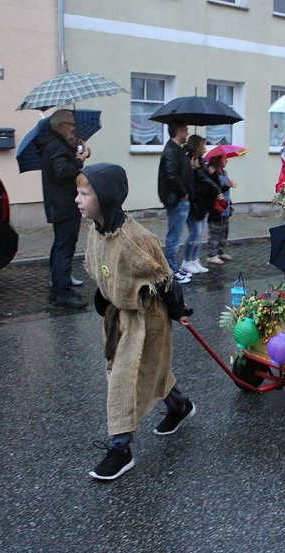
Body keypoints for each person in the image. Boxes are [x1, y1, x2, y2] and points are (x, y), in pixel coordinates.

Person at [76, 162, 196, 481]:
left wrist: (179, 310)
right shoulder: (96, 232)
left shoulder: (137, 239)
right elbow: (104, 271)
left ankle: (121, 449)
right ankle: (179, 405)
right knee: (152, 371)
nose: (77, 199)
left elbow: (165, 278)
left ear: (106, 197)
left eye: (85, 193)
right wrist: (105, 297)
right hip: (119, 317)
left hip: (147, 319)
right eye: (78, 192)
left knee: (124, 379)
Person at [36, 109, 91, 308]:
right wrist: (79, 160)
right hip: (64, 204)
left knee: (60, 245)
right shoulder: (56, 146)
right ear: (60, 125)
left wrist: (77, 150)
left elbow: (63, 166)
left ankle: (57, 288)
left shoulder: (55, 144)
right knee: (65, 248)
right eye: (71, 124)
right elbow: (62, 171)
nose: (74, 127)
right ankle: (63, 292)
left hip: (60, 203)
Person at [157, 122, 194, 284]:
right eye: (185, 130)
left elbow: (180, 171)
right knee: (174, 236)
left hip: (179, 198)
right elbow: (171, 175)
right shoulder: (171, 150)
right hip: (177, 199)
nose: (188, 132)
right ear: (178, 131)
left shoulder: (177, 149)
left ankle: (174, 268)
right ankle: (171, 271)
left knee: (176, 235)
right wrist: (183, 193)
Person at [180, 134, 220, 276]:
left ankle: (195, 260)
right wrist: (195, 169)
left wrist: (205, 170)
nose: (205, 148)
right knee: (194, 233)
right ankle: (187, 261)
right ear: (197, 146)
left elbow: (206, 178)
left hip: (203, 202)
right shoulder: (187, 160)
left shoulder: (201, 161)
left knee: (200, 233)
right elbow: (194, 180)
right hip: (194, 202)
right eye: (203, 145)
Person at [205, 152, 235, 266]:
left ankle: (220, 252)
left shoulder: (224, 173)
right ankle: (212, 255)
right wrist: (228, 186)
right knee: (215, 232)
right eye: (224, 158)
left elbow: (226, 193)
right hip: (216, 209)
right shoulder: (212, 174)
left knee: (224, 232)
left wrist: (230, 203)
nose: (227, 160)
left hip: (225, 207)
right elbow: (215, 190)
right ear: (217, 160)